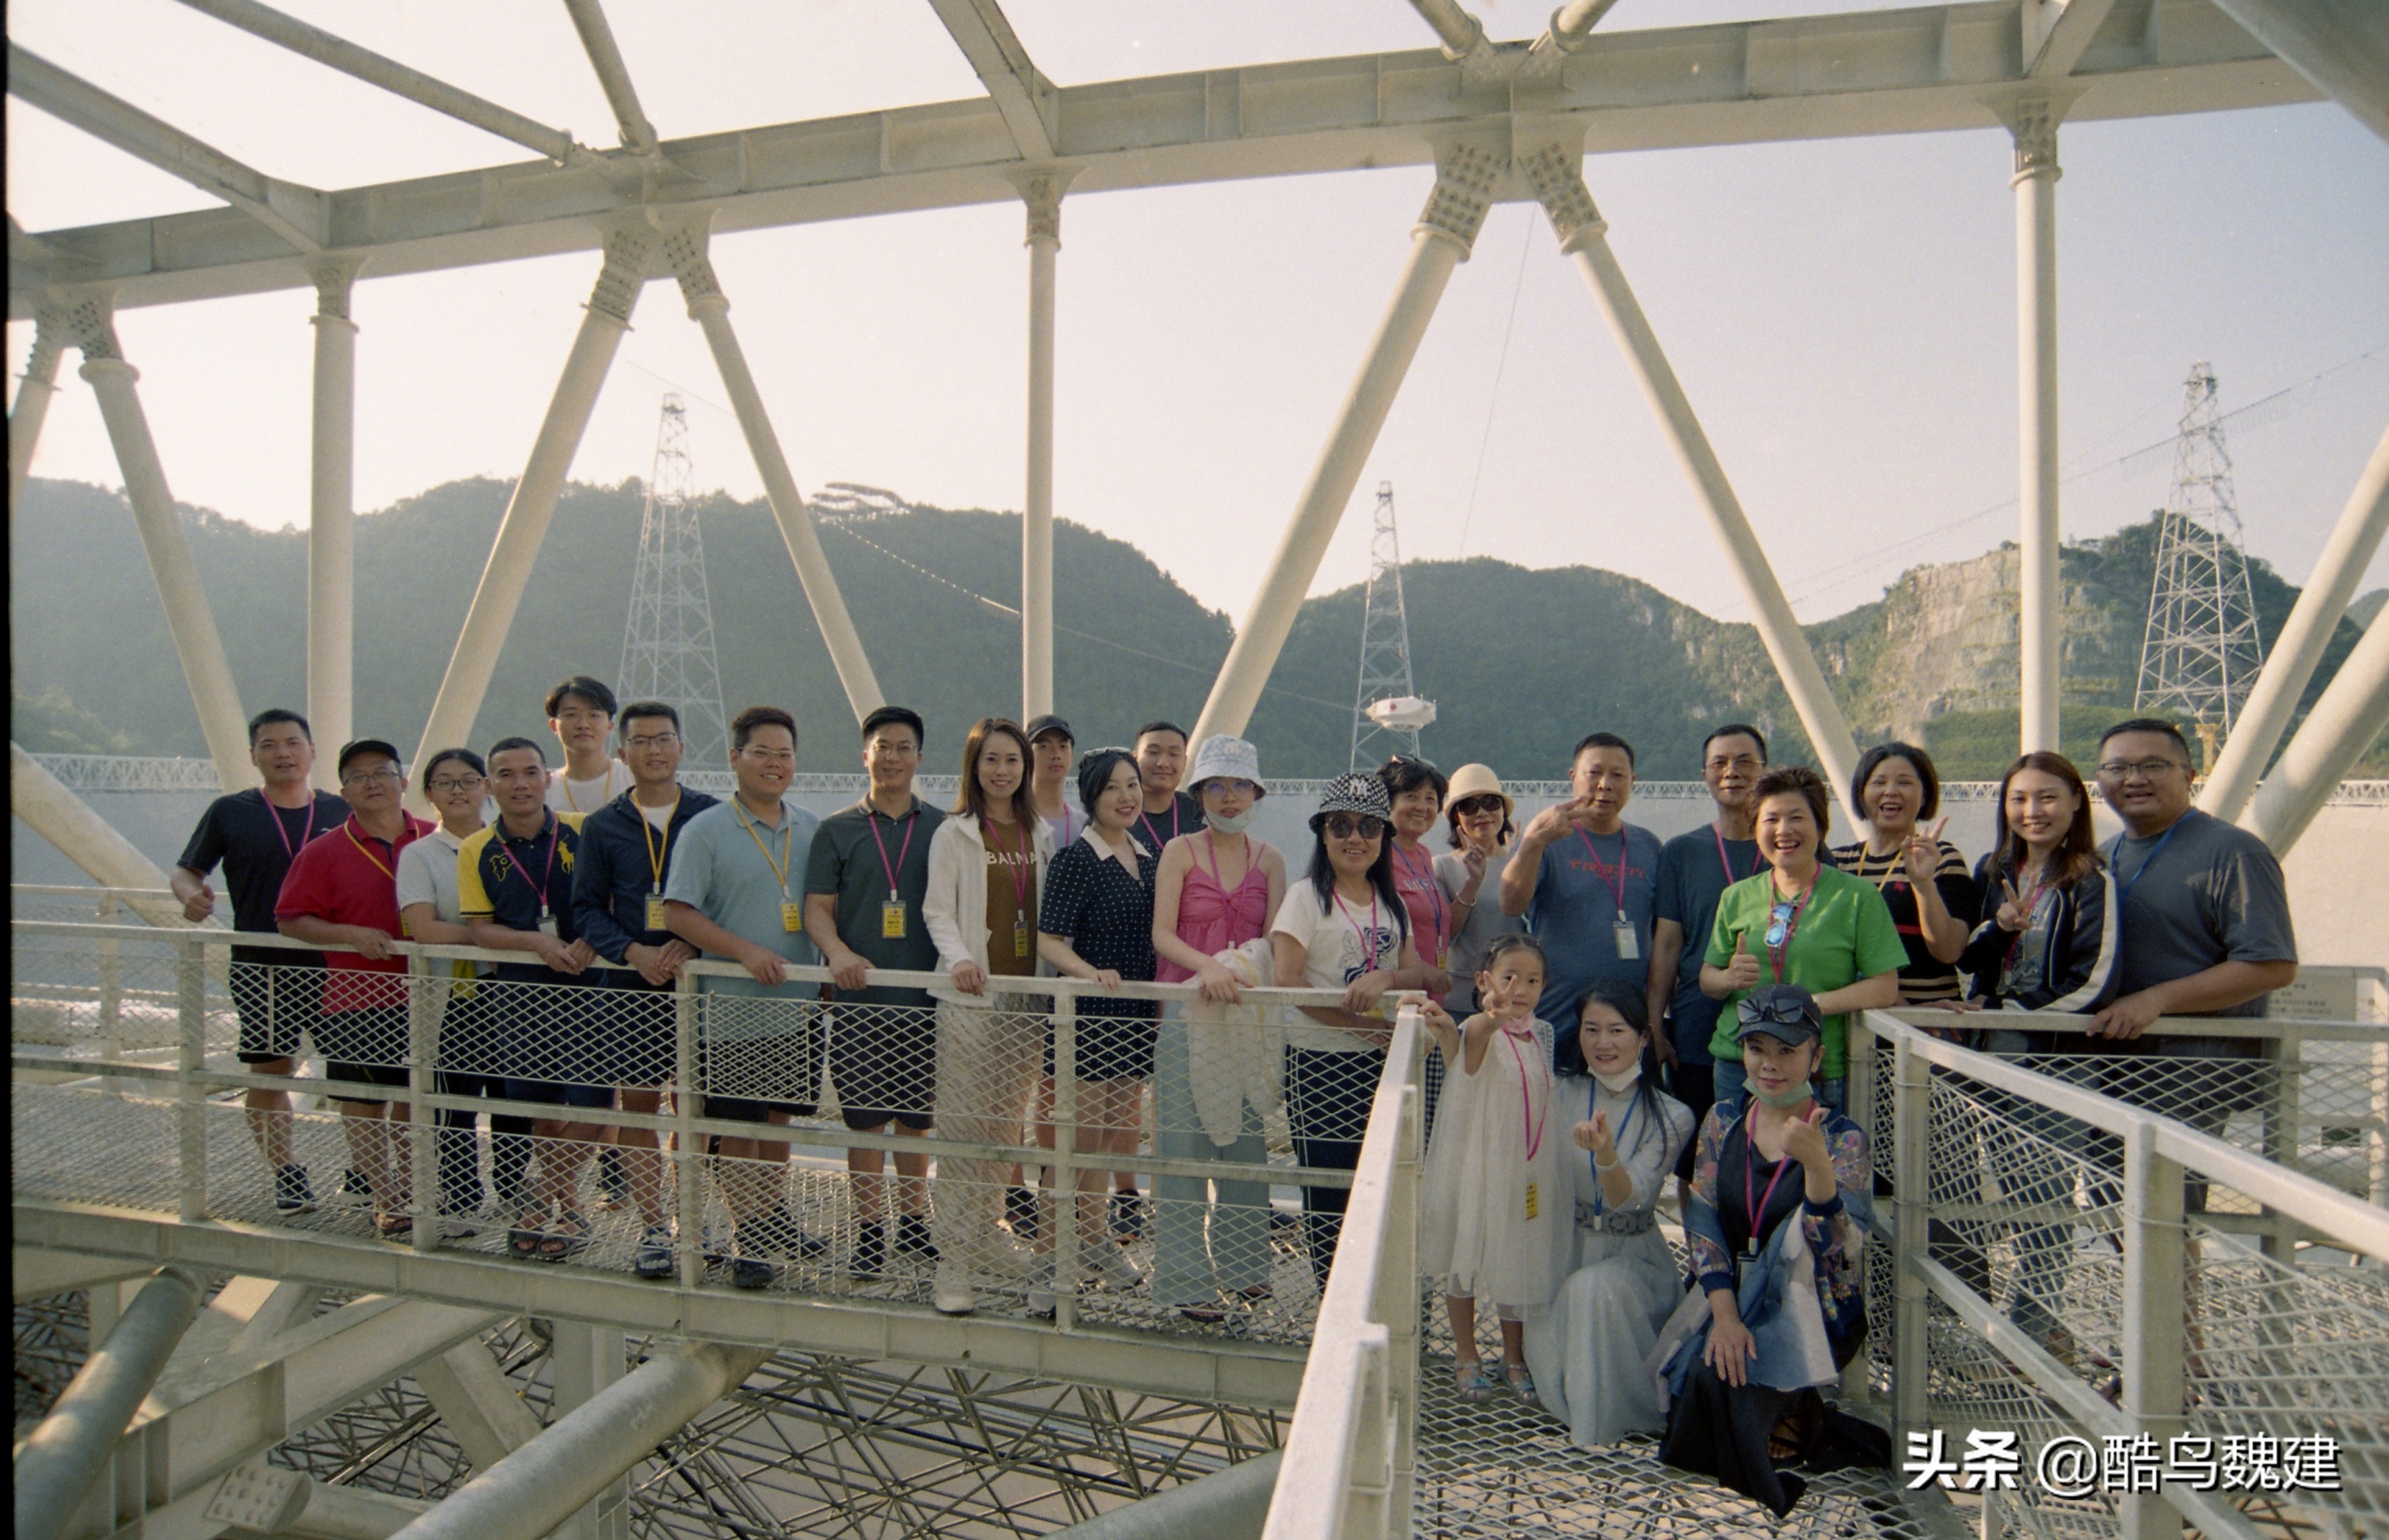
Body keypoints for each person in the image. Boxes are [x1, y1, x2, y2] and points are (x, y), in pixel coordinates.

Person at [1654, 985, 1882, 1516]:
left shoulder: (1842, 1137)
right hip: (1729, 1292)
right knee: (1704, 1381)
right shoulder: (1723, 1118)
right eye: (1757, 1048)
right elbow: (1703, 1223)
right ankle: (1790, 1412)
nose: (1770, 1065)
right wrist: (1726, 1317)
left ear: (1816, 1057)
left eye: (1787, 1050)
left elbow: (1839, 1249)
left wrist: (1818, 1168)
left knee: (1724, 1385)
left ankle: (1794, 1415)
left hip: (1810, 1307)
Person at [2085, 718, 2297, 1209]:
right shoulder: (2103, 856)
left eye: (2152, 766)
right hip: (2110, 1063)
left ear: (2189, 775)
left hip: (2189, 1071)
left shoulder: (2233, 852)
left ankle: (2179, 1268)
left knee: (2164, 1215)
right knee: (2116, 1208)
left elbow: (2271, 964)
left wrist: (2155, 1000)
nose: (2134, 779)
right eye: (2117, 768)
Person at [1954, 749, 2117, 1354]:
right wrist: (1998, 926)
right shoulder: (1995, 869)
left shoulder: (2090, 880)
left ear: (2076, 801)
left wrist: (2014, 1009)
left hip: (2056, 1059)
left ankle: (2027, 1333)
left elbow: (2094, 979)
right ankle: (2036, 1328)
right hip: (1993, 1054)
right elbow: (1967, 958)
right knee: (2015, 1196)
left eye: (2048, 796)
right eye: (2019, 798)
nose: (2032, 810)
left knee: (2045, 1200)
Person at [664, 705, 827, 1289]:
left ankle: (770, 1214)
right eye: (762, 752)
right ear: (735, 758)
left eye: (784, 754)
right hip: (729, 1010)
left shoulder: (811, 827)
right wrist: (743, 952)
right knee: (739, 1126)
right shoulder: (705, 830)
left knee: (778, 1118)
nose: (774, 764)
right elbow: (677, 912)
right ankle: (748, 1234)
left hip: (797, 1007)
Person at [171, 708, 349, 1213]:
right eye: (269, 745)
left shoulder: (342, 809)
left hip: (338, 962)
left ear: (313, 751)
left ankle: (363, 1170)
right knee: (271, 1069)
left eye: (293, 743)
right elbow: (186, 871)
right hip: (261, 963)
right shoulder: (231, 811)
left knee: (359, 1071)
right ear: (253, 755)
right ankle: (286, 1172)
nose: (283, 753)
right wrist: (191, 896)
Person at [1271, 772, 1437, 1289]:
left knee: (1384, 1184)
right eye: (1340, 825)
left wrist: (1386, 978)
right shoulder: (1304, 897)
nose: (1355, 838)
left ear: (1384, 836)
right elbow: (1288, 982)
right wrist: (1365, 1028)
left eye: (1369, 826)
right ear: (1322, 834)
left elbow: (1416, 971)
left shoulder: (1391, 903)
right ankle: (1333, 1300)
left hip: (1383, 1064)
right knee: (1329, 1192)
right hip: (1319, 1063)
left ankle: (1378, 1294)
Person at [572, 701, 719, 1278]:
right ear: (623, 751)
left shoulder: (709, 815)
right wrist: (631, 950)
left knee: (694, 1105)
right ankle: (654, 1225)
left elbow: (725, 895)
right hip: (630, 983)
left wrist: (694, 944)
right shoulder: (602, 825)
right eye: (642, 741)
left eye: (664, 739)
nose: (654, 750)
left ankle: (693, 1217)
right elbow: (585, 908)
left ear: (681, 747)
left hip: (696, 982)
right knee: (637, 1103)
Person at [1147, 735, 1288, 1322]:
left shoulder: (1270, 860)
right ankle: (1183, 1279)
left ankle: (1245, 1267)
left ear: (1255, 792)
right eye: (1216, 786)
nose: (1229, 797)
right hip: (1185, 1015)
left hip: (1245, 1023)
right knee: (1182, 1144)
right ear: (1199, 793)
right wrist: (1207, 967)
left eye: (1239, 786)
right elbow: (1161, 933)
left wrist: (1242, 970)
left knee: (1246, 1145)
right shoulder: (1178, 851)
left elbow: (1275, 942)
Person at [1521, 978, 1696, 1446]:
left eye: (1617, 1030)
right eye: (1591, 1029)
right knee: (1565, 1292)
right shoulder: (1559, 1091)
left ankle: (1597, 1429)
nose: (1603, 1043)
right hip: (1566, 1246)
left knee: (1592, 1291)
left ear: (1644, 1036)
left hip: (1632, 1259)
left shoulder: (1672, 1114)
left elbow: (1629, 1198)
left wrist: (1606, 1156)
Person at [805, 705, 946, 1280]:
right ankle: (868, 1228)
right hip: (859, 1000)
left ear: (919, 757)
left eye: (903, 747)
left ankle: (913, 1220)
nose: (892, 757)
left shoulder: (942, 827)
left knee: (917, 1117)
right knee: (863, 1119)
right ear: (865, 754)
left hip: (927, 999)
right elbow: (817, 908)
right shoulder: (835, 829)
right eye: (882, 746)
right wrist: (836, 952)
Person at [273, 738, 433, 1240]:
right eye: (358, 777)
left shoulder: (435, 839)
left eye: (381, 772)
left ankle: (419, 1190)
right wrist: (349, 934)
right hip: (357, 997)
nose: (371, 783)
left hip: (433, 996)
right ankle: (385, 1196)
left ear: (403, 781)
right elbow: (291, 919)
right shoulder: (323, 852)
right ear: (343, 791)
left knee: (419, 1097)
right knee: (364, 1100)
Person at [921, 717, 1052, 1315]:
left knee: (1004, 1126)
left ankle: (987, 1231)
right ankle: (952, 1258)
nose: (1002, 770)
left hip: (1025, 999)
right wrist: (960, 959)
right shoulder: (954, 833)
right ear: (973, 767)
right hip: (972, 998)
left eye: (1012, 760)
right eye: (991, 759)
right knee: (961, 1127)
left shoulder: (1040, 833)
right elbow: (937, 911)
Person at [460, 738, 602, 1262]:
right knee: (539, 1106)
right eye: (505, 774)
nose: (519, 783)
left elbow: (612, 900)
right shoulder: (477, 848)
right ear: (489, 785)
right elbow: (480, 929)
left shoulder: (584, 831)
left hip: (591, 987)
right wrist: (537, 943)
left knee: (595, 1104)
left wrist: (593, 937)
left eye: (530, 772)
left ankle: (541, 1195)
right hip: (521, 993)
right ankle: (567, 1208)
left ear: (547, 778)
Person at [1417, 936, 1572, 1403]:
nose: (1519, 989)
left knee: (1519, 1258)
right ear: (1484, 980)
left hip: (1525, 1168)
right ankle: (1467, 1354)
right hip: (1480, 1164)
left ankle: (1513, 1355)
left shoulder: (1542, 1033)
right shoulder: (1479, 1029)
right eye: (1509, 977)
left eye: (1532, 980)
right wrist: (1492, 1015)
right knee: (1464, 1253)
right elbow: (1473, 1051)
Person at [1034, 747, 1161, 1306]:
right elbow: (1048, 940)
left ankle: (1092, 1238)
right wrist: (1090, 973)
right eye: (1112, 787)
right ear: (1091, 796)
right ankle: (1047, 1260)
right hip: (1088, 1017)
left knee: (1109, 1136)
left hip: (1134, 1017)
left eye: (1132, 784)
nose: (1126, 796)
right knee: (1075, 1143)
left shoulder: (1148, 857)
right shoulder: (1076, 859)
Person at [1699, 766, 1903, 1114]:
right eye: (1771, 820)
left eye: (1797, 818)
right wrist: (1729, 978)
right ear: (1756, 830)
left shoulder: (1857, 897)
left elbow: (1884, 987)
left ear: (1821, 828)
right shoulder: (1736, 897)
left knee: (1812, 1150)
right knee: (1736, 1149)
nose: (1784, 830)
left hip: (1815, 1066)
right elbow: (1708, 979)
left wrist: (1810, 1005)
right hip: (1740, 1062)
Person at [396, 747, 518, 1232]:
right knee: (455, 1100)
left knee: (513, 1098)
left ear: (486, 786)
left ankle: (516, 1195)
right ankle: (461, 1198)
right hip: (453, 997)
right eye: (445, 782)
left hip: (511, 993)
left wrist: (494, 935)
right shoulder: (420, 854)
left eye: (469, 780)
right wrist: (495, 935)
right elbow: (424, 928)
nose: (458, 791)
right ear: (429, 793)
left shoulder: (509, 845)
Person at [1646, 724, 1766, 1206]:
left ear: (1765, 770)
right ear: (1705, 775)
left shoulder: (1790, 844)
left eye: (1745, 761)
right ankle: (1702, 1250)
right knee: (1697, 1158)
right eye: (1720, 763)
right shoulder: (1681, 852)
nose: (1732, 772)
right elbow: (1667, 944)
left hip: (1776, 1031)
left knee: (1768, 1154)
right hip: (1698, 1026)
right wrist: (1656, 1025)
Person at [1498, 733, 1662, 1029]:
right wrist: (1533, 842)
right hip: (1555, 1015)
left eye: (1617, 775)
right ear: (1573, 777)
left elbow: (1664, 939)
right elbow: (1510, 904)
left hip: (1625, 1023)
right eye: (1594, 773)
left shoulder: (1649, 846)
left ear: (1633, 781)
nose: (1605, 784)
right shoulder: (1548, 839)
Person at [1828, 743, 1976, 1008]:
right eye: (1879, 782)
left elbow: (1949, 951)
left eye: (1905, 783)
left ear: (1925, 795)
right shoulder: (1837, 864)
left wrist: (1923, 885)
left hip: (1932, 1021)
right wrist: (1901, 1009)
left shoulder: (1942, 859)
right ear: (1861, 793)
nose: (1891, 791)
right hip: (1856, 1019)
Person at [1433, 765, 1525, 1017]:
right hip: (1459, 1001)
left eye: (1490, 803)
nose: (1482, 813)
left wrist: (1522, 859)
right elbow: (1446, 935)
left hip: (1514, 998)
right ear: (1456, 818)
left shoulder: (1521, 863)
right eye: (1469, 806)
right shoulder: (1443, 866)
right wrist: (1471, 884)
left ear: (1503, 810)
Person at [1378, 756, 1457, 992]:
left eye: (1430, 799)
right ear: (1388, 802)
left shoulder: (1423, 854)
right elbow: (1372, 933)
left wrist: (1471, 886)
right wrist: (1421, 971)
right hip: (1395, 993)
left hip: (1429, 994)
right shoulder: (1376, 857)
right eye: (1411, 797)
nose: (1422, 807)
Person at [544, 675, 636, 815]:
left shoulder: (634, 778)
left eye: (594, 715)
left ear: (610, 726)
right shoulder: (545, 791)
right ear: (554, 726)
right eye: (571, 715)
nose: (583, 725)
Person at [1025, 715, 1082, 852]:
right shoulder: (1014, 818)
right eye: (1044, 747)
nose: (1056, 755)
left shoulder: (1083, 823)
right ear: (1026, 755)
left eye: (1063, 746)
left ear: (1072, 756)